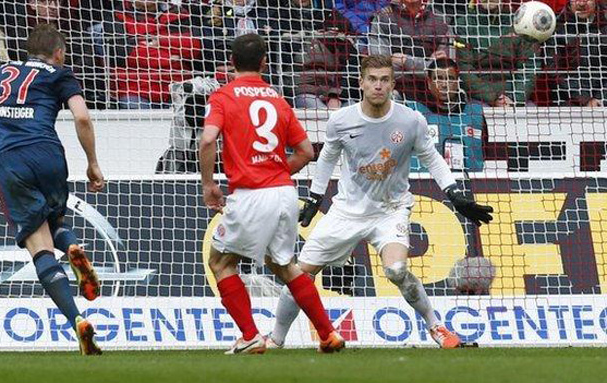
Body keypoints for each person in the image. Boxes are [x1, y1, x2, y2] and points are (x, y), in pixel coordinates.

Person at [266, 55, 494, 349]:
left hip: (391, 209)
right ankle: (276, 339)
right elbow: (327, 158)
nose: (378, 86)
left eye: (384, 80)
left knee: (396, 271)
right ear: (361, 83)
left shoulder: (411, 120)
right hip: (347, 210)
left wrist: (453, 193)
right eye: (372, 79)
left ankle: (437, 328)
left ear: (392, 84)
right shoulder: (341, 120)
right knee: (300, 275)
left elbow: (431, 158)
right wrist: (314, 196)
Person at [0, 24, 104, 355]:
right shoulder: (60, 74)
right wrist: (92, 163)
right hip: (48, 155)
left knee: (40, 248)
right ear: (59, 53)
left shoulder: (1, 72)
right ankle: (73, 246)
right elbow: (82, 118)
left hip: (10, 163)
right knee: (55, 223)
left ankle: (77, 320)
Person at [201, 33, 345, 354]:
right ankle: (327, 332)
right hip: (284, 193)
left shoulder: (223, 97)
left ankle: (250, 335)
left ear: (231, 63)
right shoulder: (277, 99)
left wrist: (209, 185)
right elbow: (307, 151)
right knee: (284, 265)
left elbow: (208, 140)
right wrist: (277, 171)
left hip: (252, 193)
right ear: (264, 63)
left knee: (221, 262)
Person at [404, 58, 487, 172]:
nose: (444, 85)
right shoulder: (412, 112)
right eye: (438, 78)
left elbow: (485, 151)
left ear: (458, 82)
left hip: (467, 185)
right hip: (424, 185)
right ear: (429, 83)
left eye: (450, 79)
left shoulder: (475, 113)